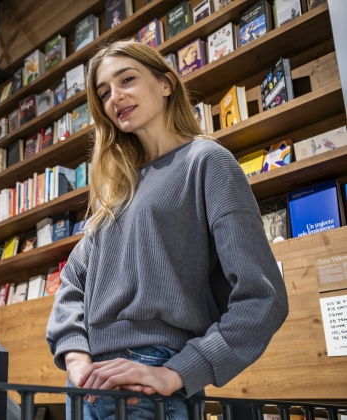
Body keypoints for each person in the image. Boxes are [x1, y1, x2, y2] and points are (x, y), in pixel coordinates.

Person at [46, 40, 289, 420]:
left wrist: (178, 371)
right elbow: (72, 284)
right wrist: (77, 361)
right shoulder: (118, 188)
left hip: (149, 379)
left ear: (166, 84)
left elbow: (262, 297)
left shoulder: (206, 161)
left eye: (127, 79)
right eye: (104, 92)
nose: (115, 97)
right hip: (85, 385)